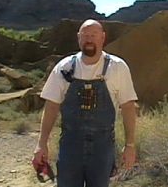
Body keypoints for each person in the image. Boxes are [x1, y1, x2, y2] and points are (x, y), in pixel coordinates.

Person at [33, 19, 138, 187]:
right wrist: (42, 144)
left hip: (102, 146)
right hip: (70, 144)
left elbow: (128, 107)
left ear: (103, 38)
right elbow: (51, 106)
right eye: (85, 35)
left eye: (94, 35)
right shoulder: (64, 67)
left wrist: (130, 145)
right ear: (78, 38)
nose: (89, 39)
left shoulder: (118, 67)